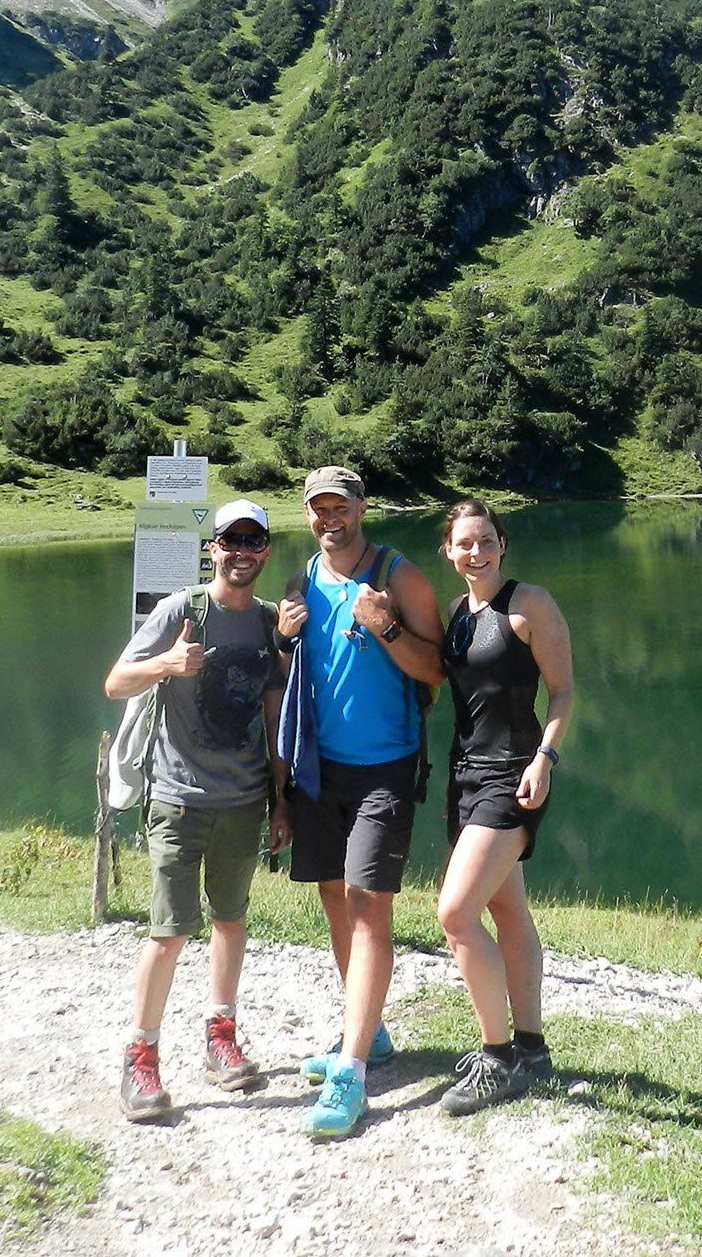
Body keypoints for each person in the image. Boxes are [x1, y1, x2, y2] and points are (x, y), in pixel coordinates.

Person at [104, 498, 298, 1122]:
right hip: (178, 800)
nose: (241, 553)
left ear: (265, 551)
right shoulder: (180, 611)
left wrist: (281, 801)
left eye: (253, 542)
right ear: (211, 547)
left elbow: (275, 715)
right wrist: (166, 663)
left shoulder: (270, 623)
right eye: (229, 541)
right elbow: (115, 682)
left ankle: (221, 1036)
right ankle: (141, 1056)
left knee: (231, 921)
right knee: (169, 931)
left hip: (244, 801)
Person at [280, 464, 444, 1140]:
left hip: (385, 764)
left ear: (361, 508)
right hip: (320, 767)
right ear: (308, 514)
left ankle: (350, 1071)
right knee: (332, 895)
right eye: (318, 508)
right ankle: (367, 1031)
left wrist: (387, 628)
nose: (329, 519)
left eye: (340, 507)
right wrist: (281, 639)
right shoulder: (300, 581)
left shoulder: (397, 575)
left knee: (367, 903)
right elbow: (291, 674)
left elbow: (437, 669)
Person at [433, 498, 573, 1116]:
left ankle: (496, 1059)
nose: (476, 552)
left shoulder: (530, 603)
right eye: (464, 543)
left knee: (456, 915)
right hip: (465, 777)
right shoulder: (458, 614)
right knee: (508, 909)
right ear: (449, 552)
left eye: (486, 540)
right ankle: (532, 1049)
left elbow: (564, 690)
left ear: (502, 542)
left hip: (514, 775)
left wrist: (546, 757)